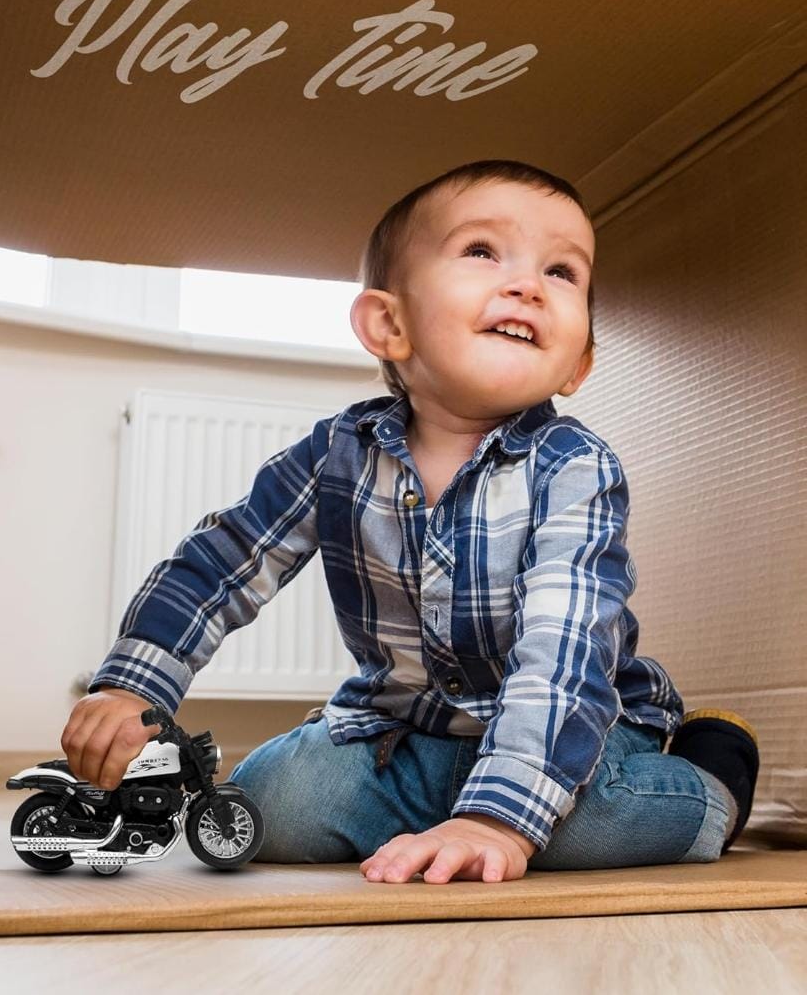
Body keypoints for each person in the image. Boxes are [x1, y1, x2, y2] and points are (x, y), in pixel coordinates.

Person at [60, 158, 760, 883]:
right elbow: (221, 563)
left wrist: (501, 821)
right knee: (268, 808)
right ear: (389, 324)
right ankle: (446, 810)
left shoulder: (575, 468)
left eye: (561, 271)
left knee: (579, 828)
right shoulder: (336, 454)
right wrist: (133, 687)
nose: (527, 284)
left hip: (570, 729)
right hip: (405, 730)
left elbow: (565, 650)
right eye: (483, 251)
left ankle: (714, 776)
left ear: (578, 363)